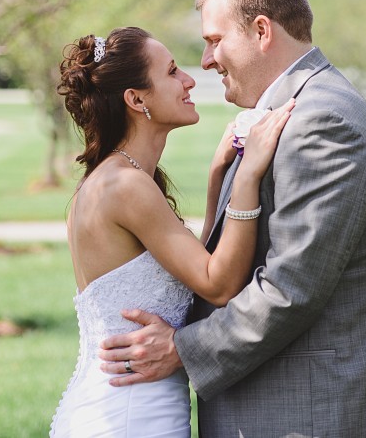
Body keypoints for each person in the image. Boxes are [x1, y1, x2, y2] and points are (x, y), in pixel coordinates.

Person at [97, 0, 366, 437]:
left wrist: (182, 348)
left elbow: (290, 289)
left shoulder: (321, 122)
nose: (207, 61)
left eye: (215, 41)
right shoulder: (287, 114)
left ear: (261, 31)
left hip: (318, 411)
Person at [49, 26, 294, 437]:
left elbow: (195, 270)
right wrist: (248, 175)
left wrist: (219, 176)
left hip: (120, 402)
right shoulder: (126, 187)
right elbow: (217, 284)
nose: (190, 79)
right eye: (172, 72)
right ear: (136, 99)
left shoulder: (113, 180)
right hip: (132, 416)